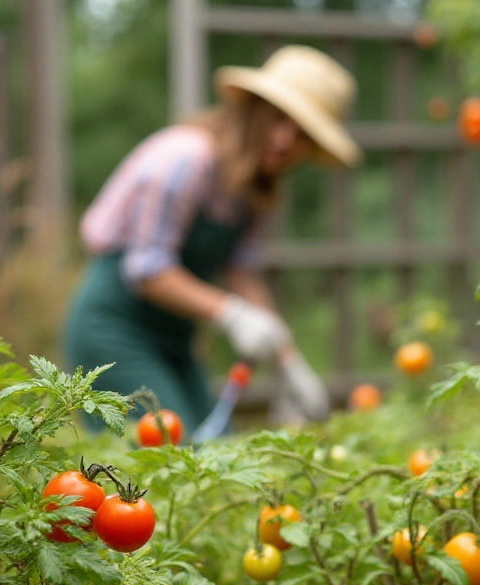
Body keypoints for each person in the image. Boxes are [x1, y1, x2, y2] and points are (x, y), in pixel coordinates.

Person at [63, 46, 360, 435]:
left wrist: (288, 362)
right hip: (113, 329)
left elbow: (239, 272)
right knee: (166, 454)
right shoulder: (184, 159)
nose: (285, 139)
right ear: (252, 108)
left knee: (218, 452)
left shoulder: (252, 191)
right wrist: (232, 315)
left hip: (174, 337)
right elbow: (147, 270)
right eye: (278, 119)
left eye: (303, 134)